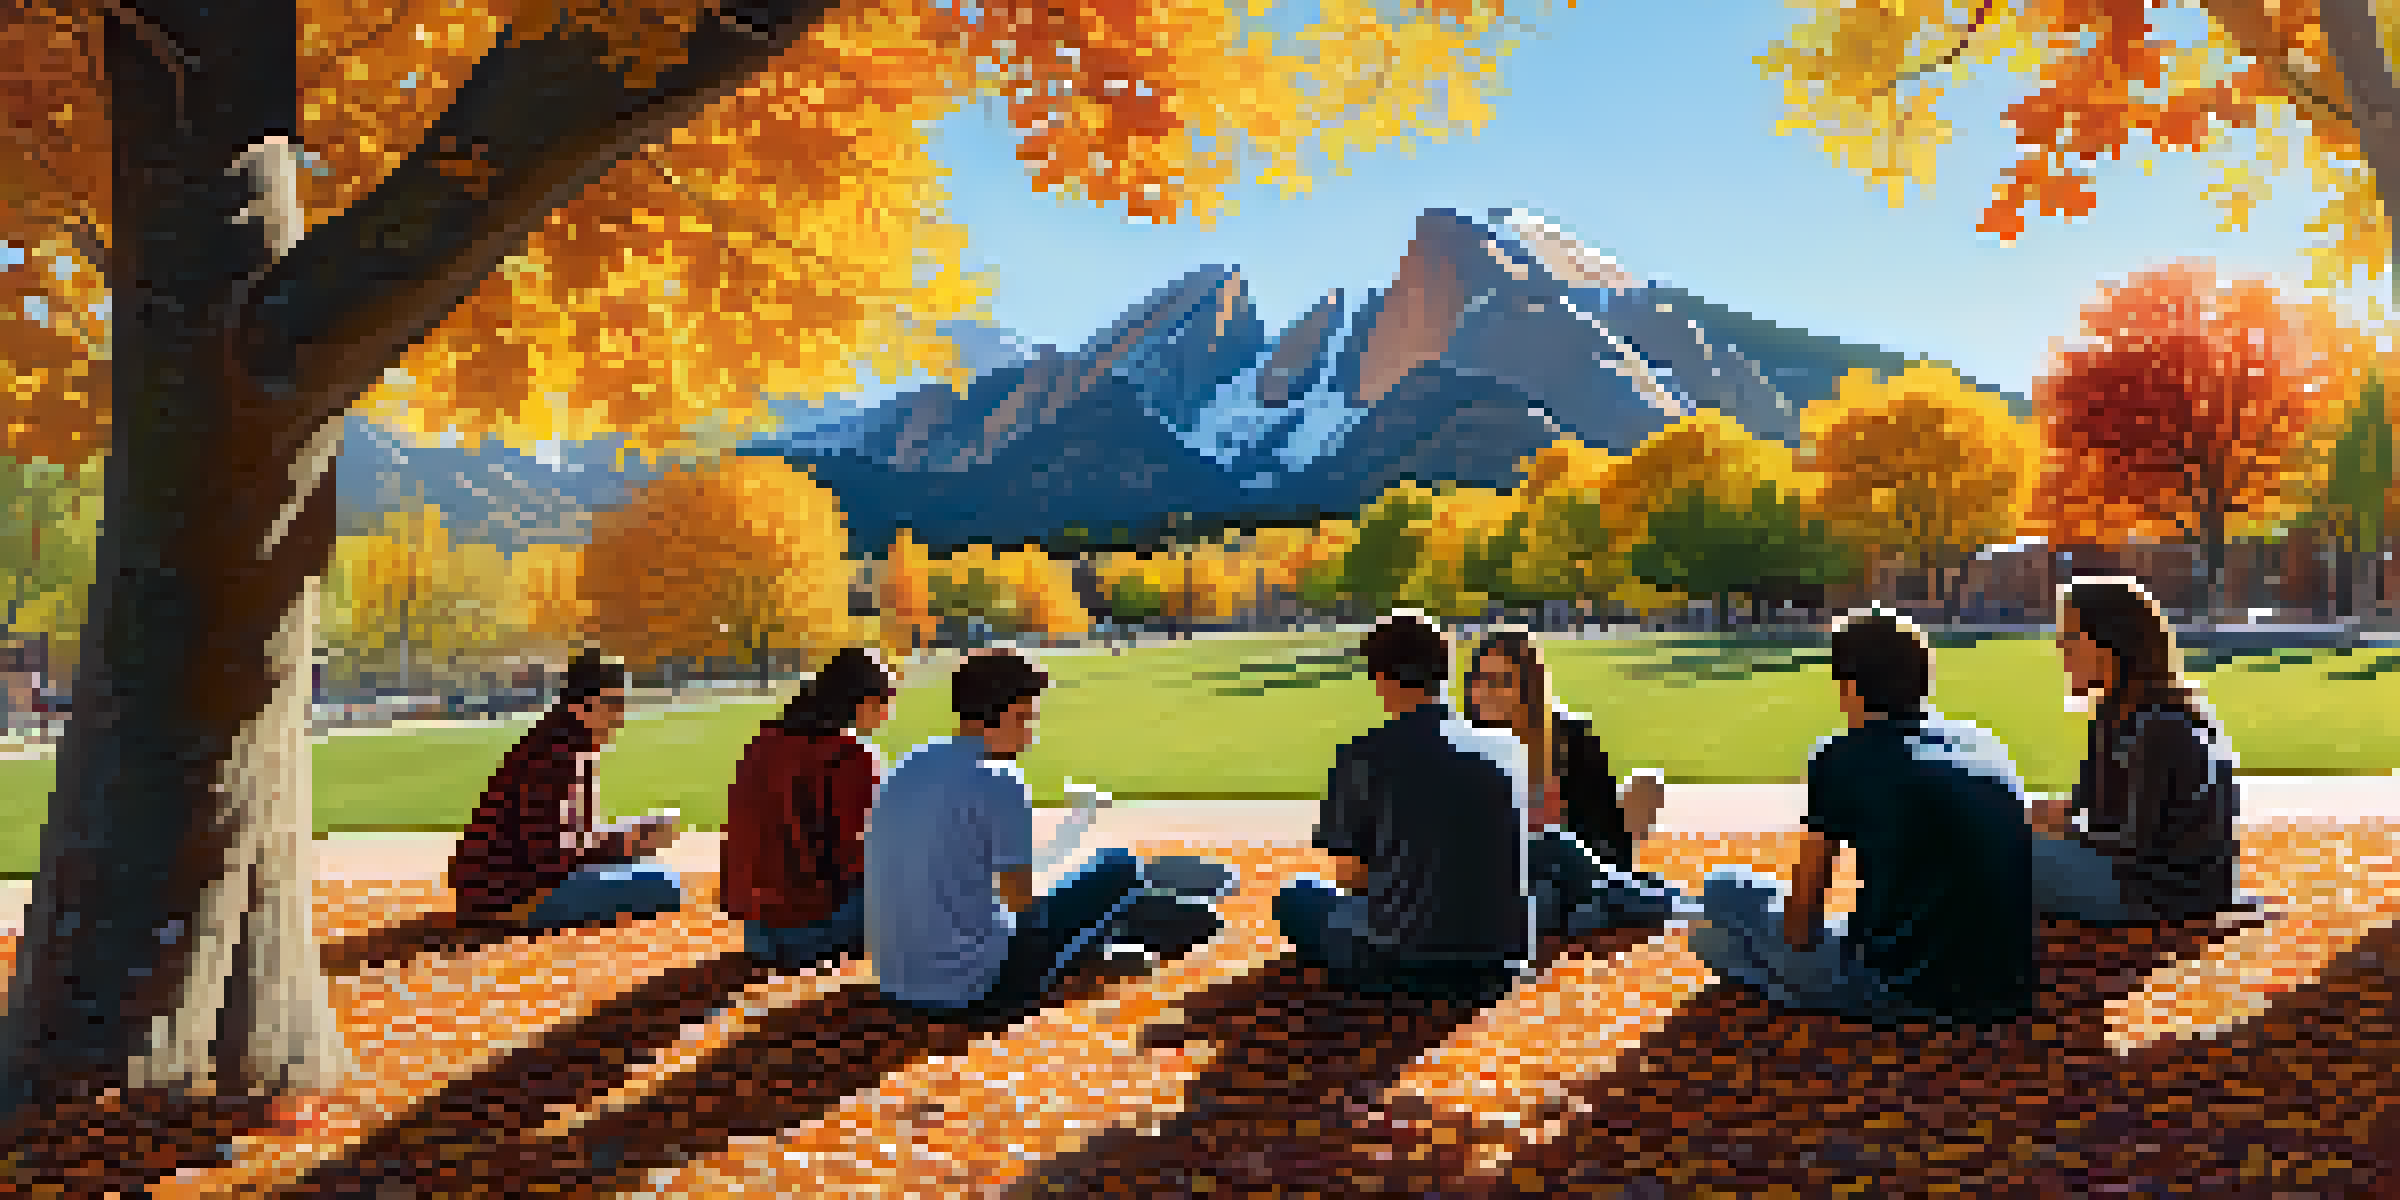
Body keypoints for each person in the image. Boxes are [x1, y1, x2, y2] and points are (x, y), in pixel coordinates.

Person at [1689, 608, 2035, 1028]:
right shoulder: (1984, 744)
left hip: (1902, 988)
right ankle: (1783, 981)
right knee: (1725, 936)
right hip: (2005, 988)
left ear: (1849, 687)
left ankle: (1790, 987)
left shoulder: (1842, 755)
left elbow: (1802, 923)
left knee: (1719, 898)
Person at [865, 650, 1208, 1029]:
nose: (1032, 733)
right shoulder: (998, 778)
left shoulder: (909, 764)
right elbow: (1023, 903)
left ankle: (1116, 935)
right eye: (1027, 718)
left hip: (896, 985)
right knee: (1118, 866)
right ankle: (1128, 932)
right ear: (1007, 714)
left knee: (1069, 895)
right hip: (979, 991)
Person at [1274, 610, 1533, 1006]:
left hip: (1398, 963)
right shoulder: (1509, 748)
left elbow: (1351, 876)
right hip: (1499, 963)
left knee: (1298, 894)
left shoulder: (1361, 756)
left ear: (1381, 679)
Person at [2030, 577, 2243, 924]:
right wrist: (2042, 815)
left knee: (2000, 854)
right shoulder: (2113, 713)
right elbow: (2089, 805)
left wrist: (2061, 829)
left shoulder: (2160, 726)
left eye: (2069, 639)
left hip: (2164, 894)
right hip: (2138, 878)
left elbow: (2133, 845)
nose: (2059, 648)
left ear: (2107, 643)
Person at [1460, 628, 1686, 935]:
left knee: (1557, 874)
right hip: (1503, 876)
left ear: (1529, 686)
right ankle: (1638, 900)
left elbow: (1605, 832)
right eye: (1479, 680)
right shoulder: (1461, 745)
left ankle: (1611, 902)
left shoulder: (1570, 739)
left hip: (1570, 869)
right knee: (1550, 884)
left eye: (1501, 681)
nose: (1486, 691)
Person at [449, 651, 685, 931]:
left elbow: (567, 838)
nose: (619, 718)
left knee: (646, 866)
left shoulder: (562, 744)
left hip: (504, 888)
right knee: (664, 883)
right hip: (513, 896)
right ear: (579, 707)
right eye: (611, 705)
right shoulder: (557, 757)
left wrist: (625, 839)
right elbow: (548, 858)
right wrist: (620, 844)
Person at [721, 646, 895, 971]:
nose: (888, 715)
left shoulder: (762, 741)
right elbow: (860, 854)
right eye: (887, 704)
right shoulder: (850, 752)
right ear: (866, 702)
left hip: (756, 931)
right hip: (815, 927)